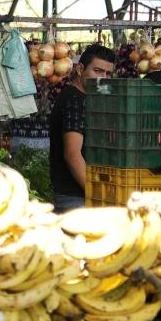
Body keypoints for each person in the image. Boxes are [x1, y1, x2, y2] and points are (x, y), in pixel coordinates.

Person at [49, 43, 116, 212]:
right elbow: (72, 154)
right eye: (98, 71)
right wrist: (97, 194)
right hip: (76, 199)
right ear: (80, 69)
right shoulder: (74, 100)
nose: (103, 78)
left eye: (108, 73)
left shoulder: (83, 97)